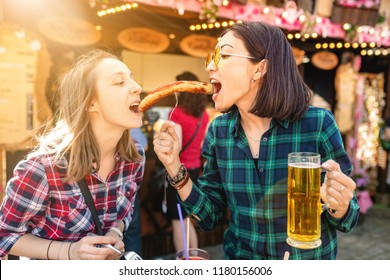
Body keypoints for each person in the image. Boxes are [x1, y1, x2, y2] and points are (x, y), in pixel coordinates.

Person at [153, 22, 360, 260]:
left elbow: (348, 219)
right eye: (212, 56)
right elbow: (209, 217)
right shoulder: (219, 131)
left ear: (259, 69)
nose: (211, 65)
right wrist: (173, 166)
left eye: (225, 54)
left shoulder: (318, 124)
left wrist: (340, 204)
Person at [0, 49, 145, 260]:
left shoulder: (135, 159)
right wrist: (68, 252)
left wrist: (115, 232)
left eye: (131, 79)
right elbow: (4, 235)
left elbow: (127, 211)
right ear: (90, 103)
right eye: (119, 82)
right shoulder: (42, 169)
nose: (138, 87)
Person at [165, 71, 209, 253]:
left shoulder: (176, 113)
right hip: (194, 172)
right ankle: (195, 261)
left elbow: (177, 146)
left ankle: (183, 265)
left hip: (178, 172)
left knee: (178, 221)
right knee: (187, 218)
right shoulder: (204, 115)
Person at [123, 127, 148, 255]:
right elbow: (146, 145)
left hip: (127, 186)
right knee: (132, 233)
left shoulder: (137, 147)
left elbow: (143, 146)